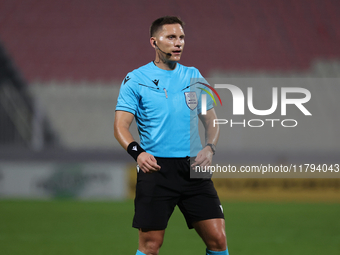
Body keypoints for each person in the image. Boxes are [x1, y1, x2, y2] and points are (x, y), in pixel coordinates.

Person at [114, 16, 229, 255]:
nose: (179, 43)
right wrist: (138, 154)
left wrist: (210, 148)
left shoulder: (194, 75)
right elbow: (120, 127)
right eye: (171, 37)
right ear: (154, 42)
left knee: (218, 239)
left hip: (194, 167)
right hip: (155, 168)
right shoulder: (135, 79)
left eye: (181, 37)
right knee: (151, 246)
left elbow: (212, 120)